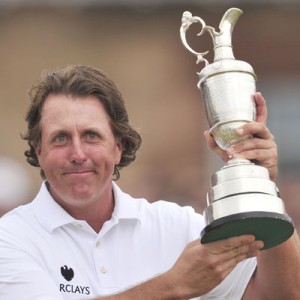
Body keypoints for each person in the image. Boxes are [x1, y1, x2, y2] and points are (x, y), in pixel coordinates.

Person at [0, 65, 299, 300]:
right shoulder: (11, 238)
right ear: (39, 150)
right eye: (61, 138)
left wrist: (261, 186)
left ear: (118, 146)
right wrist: (173, 285)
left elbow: (283, 294)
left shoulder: (177, 226)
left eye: (91, 136)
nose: (78, 154)